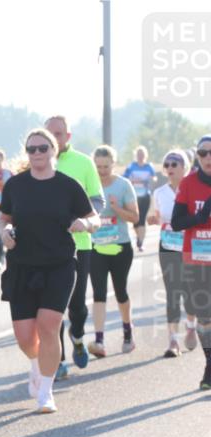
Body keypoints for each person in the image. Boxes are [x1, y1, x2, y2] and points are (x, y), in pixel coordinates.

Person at [0, 129, 98, 413]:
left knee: (49, 325)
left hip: (59, 265)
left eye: (43, 148)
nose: (37, 153)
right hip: (22, 265)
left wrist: (86, 225)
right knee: (25, 338)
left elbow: (94, 217)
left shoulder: (68, 186)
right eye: (32, 149)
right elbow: (3, 218)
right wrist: (4, 232)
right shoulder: (15, 185)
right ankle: (36, 364)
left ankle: (46, 391)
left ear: (53, 150)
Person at [45, 115, 106, 379]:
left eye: (58, 134)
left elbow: (98, 201)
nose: (53, 139)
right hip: (46, 246)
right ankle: (58, 360)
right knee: (52, 306)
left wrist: (82, 219)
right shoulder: (37, 162)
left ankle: (78, 335)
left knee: (77, 306)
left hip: (80, 244)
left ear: (68, 136)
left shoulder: (83, 162)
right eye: (49, 134)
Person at [87, 146, 139, 358]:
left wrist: (116, 208)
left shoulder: (123, 185)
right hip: (96, 247)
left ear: (113, 164)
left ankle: (128, 332)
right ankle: (99, 340)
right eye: (98, 167)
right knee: (98, 293)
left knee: (120, 291)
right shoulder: (89, 185)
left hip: (120, 247)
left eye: (106, 167)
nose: (102, 171)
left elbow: (135, 217)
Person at [148, 150, 199, 357]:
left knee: (191, 292)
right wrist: (154, 220)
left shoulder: (194, 189)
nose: (169, 168)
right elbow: (158, 216)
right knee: (172, 292)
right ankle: (173, 340)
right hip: (168, 245)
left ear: (185, 167)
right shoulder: (159, 193)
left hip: (191, 246)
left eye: (174, 164)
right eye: (166, 164)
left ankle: (191, 325)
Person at [169, 135, 211, 391]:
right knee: (205, 316)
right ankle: (210, 365)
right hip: (197, 258)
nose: (208, 157)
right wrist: (201, 216)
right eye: (203, 153)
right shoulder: (188, 183)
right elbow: (176, 223)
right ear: (197, 156)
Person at [124, 146, 157, 252]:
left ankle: (141, 242)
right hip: (133, 196)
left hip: (145, 196)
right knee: (135, 220)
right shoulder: (131, 166)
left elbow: (154, 178)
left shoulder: (149, 166)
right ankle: (139, 237)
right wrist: (132, 180)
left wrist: (151, 180)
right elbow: (125, 178)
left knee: (142, 218)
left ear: (145, 156)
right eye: (139, 154)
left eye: (142, 154)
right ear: (136, 155)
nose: (140, 156)